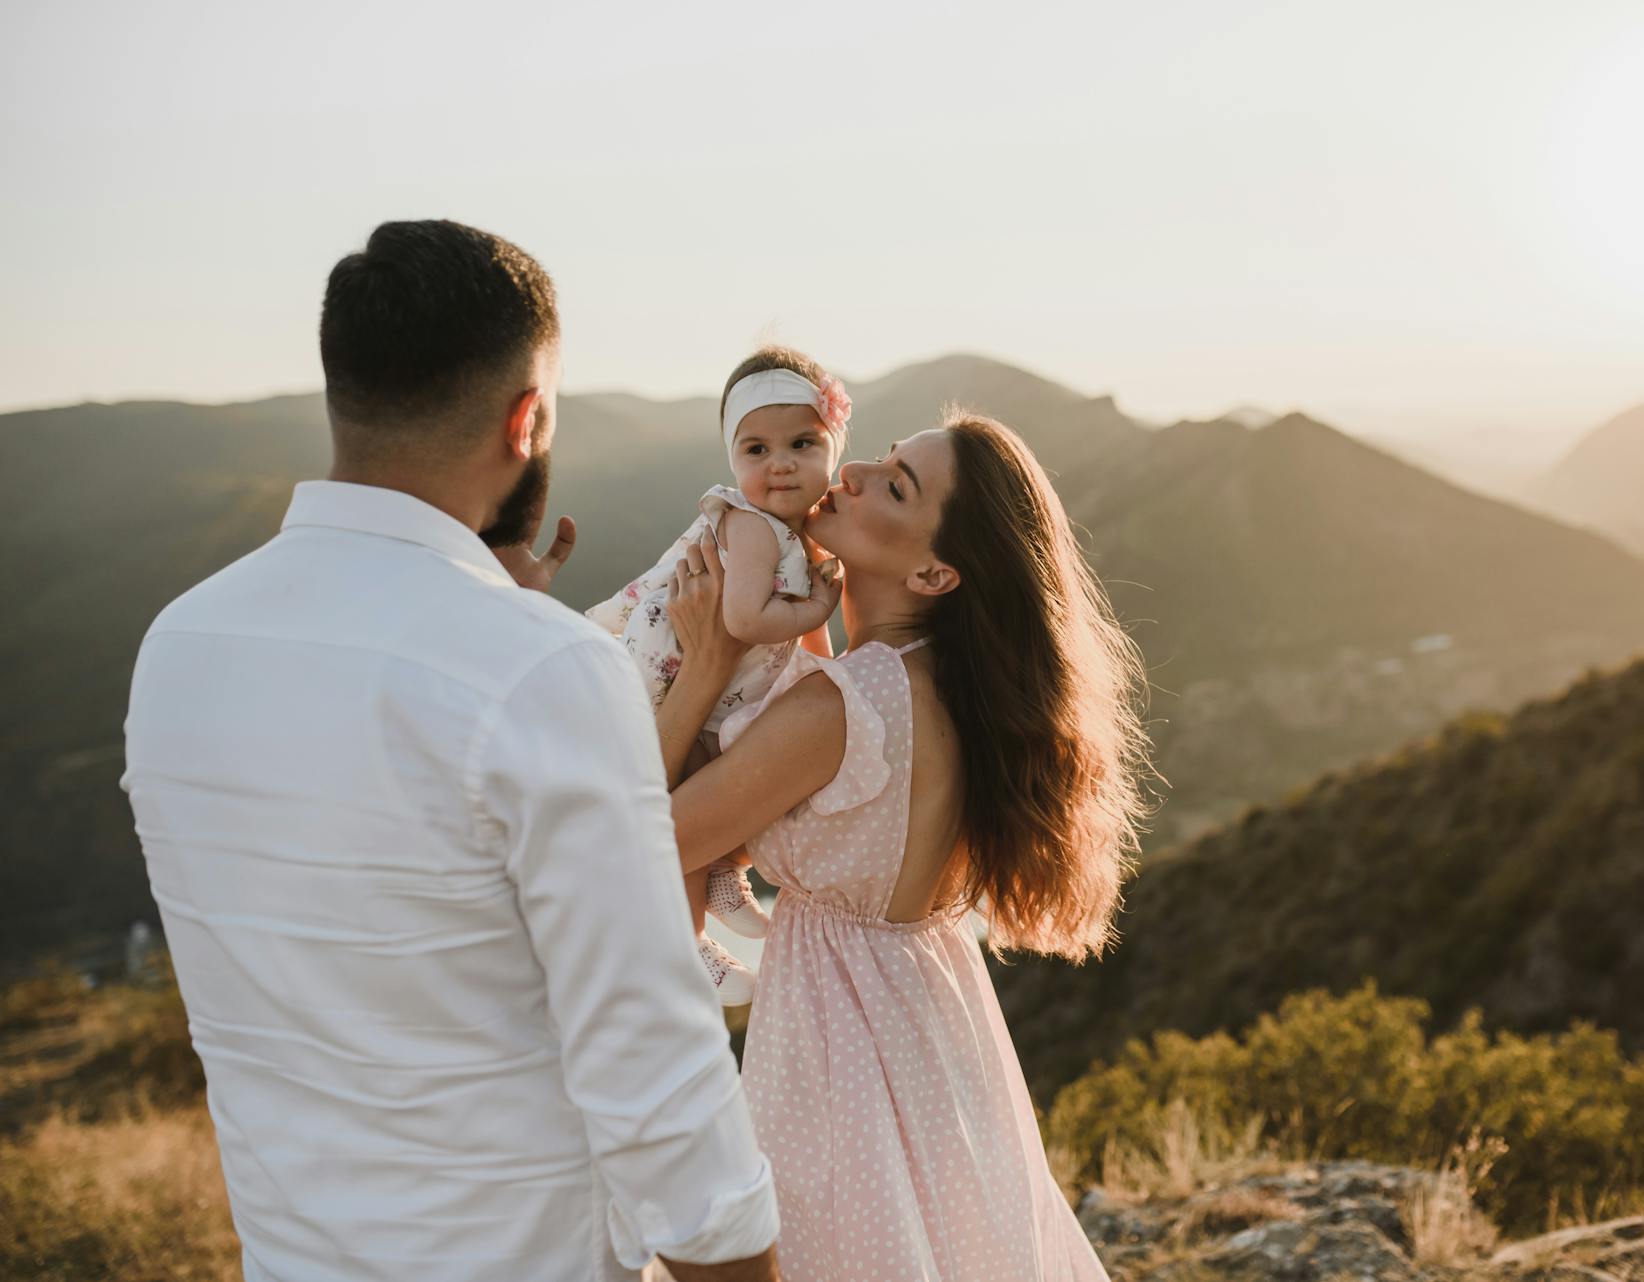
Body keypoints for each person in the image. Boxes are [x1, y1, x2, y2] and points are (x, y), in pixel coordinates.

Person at [120, 220, 781, 1282]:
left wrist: (486, 626)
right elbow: (654, 1069)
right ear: (529, 418)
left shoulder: (178, 647)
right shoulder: (544, 672)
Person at [655, 412, 1154, 1280]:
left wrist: (704, 663)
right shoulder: (937, 686)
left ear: (933, 570)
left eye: (894, 485)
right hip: (930, 1016)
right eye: (881, 457)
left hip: (838, 1038)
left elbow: (644, 842)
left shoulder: (840, 710)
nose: (849, 475)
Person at [585, 346, 848, 1005]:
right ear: (732, 459)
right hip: (669, 680)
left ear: (833, 448)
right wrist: (820, 605)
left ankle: (724, 875)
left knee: (724, 778)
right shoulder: (754, 528)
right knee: (696, 792)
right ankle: (687, 939)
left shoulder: (791, 532)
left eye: (801, 443)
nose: (780, 463)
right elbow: (746, 617)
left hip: (704, 686)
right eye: (756, 449)